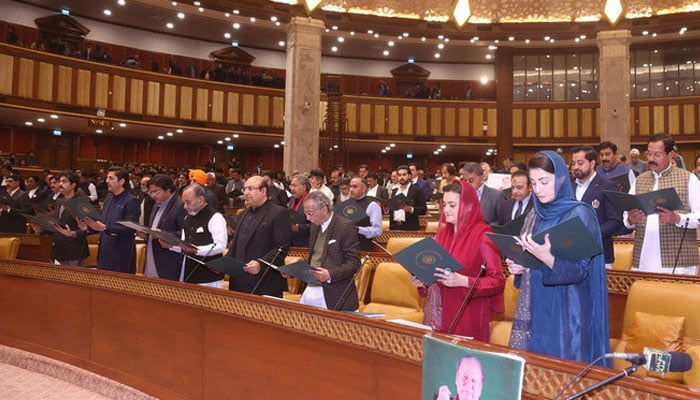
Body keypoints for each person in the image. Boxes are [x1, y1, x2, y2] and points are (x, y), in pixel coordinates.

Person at [506, 151, 610, 367]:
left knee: (559, 374)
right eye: (533, 183)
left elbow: (581, 271)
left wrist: (548, 258)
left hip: (565, 310)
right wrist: (518, 266)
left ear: (561, 178)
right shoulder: (534, 214)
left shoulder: (579, 213)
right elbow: (527, 256)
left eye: (544, 182)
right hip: (533, 306)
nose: (538, 189)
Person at [410, 181, 504, 341]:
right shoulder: (442, 234)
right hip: (438, 315)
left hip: (467, 314)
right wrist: (423, 281)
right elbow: (437, 276)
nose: (446, 210)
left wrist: (463, 281)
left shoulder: (483, 235)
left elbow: (497, 281)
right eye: (444, 204)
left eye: (452, 205)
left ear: (468, 206)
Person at [624, 133, 700, 275]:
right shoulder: (639, 180)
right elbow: (626, 217)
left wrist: (678, 219)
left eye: (657, 154)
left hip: (678, 262)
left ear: (671, 155)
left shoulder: (688, 179)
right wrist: (630, 220)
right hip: (643, 259)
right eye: (649, 154)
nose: (651, 159)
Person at [226, 176, 291, 297]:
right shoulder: (244, 213)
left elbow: (281, 248)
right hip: (238, 281)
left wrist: (261, 264)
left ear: (263, 191)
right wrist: (225, 264)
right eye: (245, 189)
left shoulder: (278, 213)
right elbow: (236, 244)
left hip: (264, 282)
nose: (246, 193)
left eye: (250, 189)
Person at [301, 191, 361, 310]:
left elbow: (354, 263)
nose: (308, 218)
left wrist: (330, 274)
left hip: (336, 292)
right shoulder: (314, 226)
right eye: (306, 214)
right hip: (311, 289)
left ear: (323, 209)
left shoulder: (345, 226)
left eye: (310, 213)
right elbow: (315, 257)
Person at [571, 145, 623, 268]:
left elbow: (615, 221)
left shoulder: (607, 186)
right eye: (573, 163)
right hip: (572, 254)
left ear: (592, 163)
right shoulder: (569, 187)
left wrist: (591, 233)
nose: (576, 167)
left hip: (599, 254)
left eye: (580, 163)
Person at [166, 184, 227, 287]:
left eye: (188, 202)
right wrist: (171, 246)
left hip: (209, 278)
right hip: (188, 275)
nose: (185, 206)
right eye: (184, 203)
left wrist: (197, 250)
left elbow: (220, 246)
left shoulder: (215, 217)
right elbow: (185, 246)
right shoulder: (187, 218)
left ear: (201, 199)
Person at [84, 167, 140, 273]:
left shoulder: (131, 200)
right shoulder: (109, 197)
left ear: (122, 181)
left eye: (111, 178)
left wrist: (105, 228)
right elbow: (103, 223)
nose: (106, 181)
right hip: (104, 253)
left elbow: (130, 229)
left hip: (120, 255)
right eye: (107, 178)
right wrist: (88, 227)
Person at [32, 172, 89, 267]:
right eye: (60, 181)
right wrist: (41, 230)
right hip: (57, 249)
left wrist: (72, 234)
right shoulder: (59, 201)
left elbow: (88, 229)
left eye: (64, 181)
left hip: (74, 252)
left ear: (73, 185)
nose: (60, 184)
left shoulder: (81, 204)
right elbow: (57, 225)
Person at [142, 174, 187, 280]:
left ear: (168, 190)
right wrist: (146, 234)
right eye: (151, 192)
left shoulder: (180, 205)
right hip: (151, 255)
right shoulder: (157, 203)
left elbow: (186, 233)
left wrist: (162, 234)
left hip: (167, 261)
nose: (153, 195)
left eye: (156, 191)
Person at [348, 177, 383, 251]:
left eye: (355, 187)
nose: (351, 190)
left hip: (362, 248)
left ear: (364, 188)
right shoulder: (348, 204)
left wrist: (359, 229)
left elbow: (377, 230)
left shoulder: (372, 205)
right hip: (345, 246)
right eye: (350, 186)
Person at [389, 165, 426, 230]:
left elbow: (424, 209)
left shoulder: (416, 190)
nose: (401, 177)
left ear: (409, 176)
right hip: (394, 227)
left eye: (404, 175)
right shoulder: (394, 190)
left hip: (410, 227)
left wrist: (411, 209)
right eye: (399, 175)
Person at [288, 174, 311, 247]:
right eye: (291, 185)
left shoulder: (312, 200)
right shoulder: (292, 199)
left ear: (304, 187)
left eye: (294, 186)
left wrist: (298, 227)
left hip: (305, 244)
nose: (291, 188)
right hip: (291, 242)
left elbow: (317, 225)